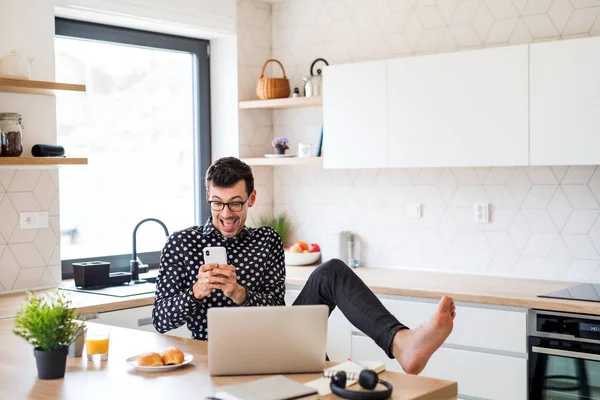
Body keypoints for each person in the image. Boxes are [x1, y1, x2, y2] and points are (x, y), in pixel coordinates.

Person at [152, 157, 456, 375]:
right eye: (217, 202)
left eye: (236, 202)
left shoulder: (267, 240)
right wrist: (195, 292)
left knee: (332, 270)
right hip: (218, 356)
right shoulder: (181, 243)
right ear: (208, 196)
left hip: (275, 343)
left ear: (252, 198)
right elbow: (160, 320)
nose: (226, 213)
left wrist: (239, 294)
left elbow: (276, 311)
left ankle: (402, 343)